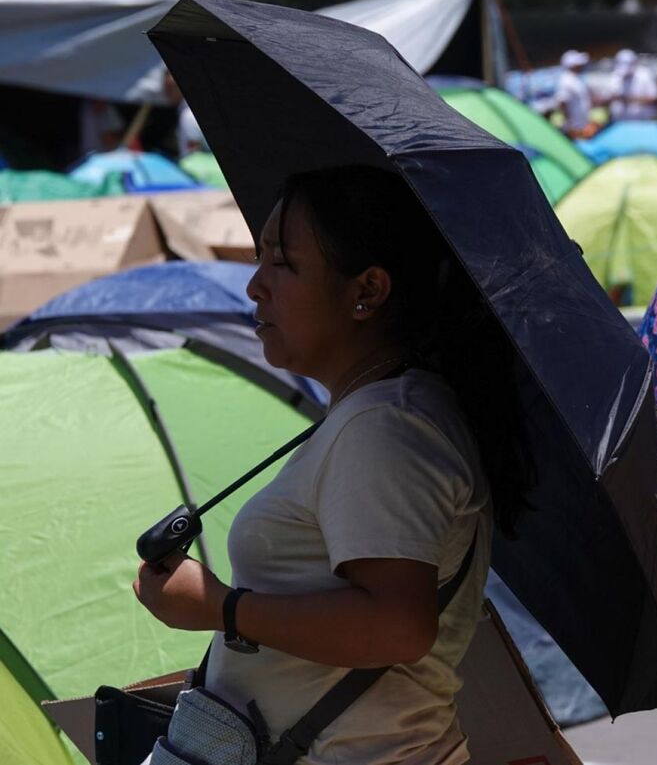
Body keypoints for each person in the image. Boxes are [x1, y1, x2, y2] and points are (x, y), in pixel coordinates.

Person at [132, 165, 532, 764]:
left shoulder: (387, 427)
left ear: (366, 290)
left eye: (282, 264)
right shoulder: (380, 412)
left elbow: (397, 626)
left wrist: (221, 607)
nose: (255, 286)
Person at [606, 49, 657, 122]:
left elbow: (654, 97)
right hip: (619, 121)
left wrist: (629, 99)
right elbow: (609, 96)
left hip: (642, 121)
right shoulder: (614, 76)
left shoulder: (645, 75)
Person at [555, 49, 594, 139]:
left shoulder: (575, 79)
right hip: (575, 127)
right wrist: (569, 125)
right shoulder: (565, 80)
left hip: (582, 125)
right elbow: (562, 102)